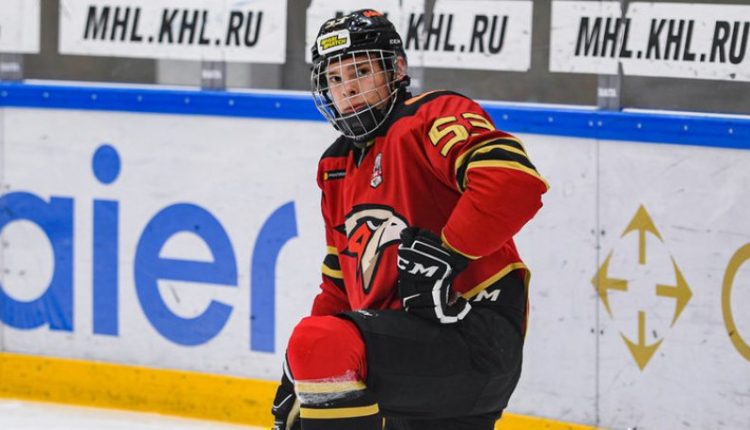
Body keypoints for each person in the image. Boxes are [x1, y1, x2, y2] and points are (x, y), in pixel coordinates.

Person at [272, 9, 548, 430]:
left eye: (361, 71)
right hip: (404, 348)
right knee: (315, 341)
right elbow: (340, 284)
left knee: (318, 341)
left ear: (396, 69)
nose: (348, 88)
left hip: (469, 330)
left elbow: (513, 181)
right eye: (335, 78)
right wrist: (300, 369)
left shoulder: (431, 115)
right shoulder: (335, 166)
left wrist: (449, 254)